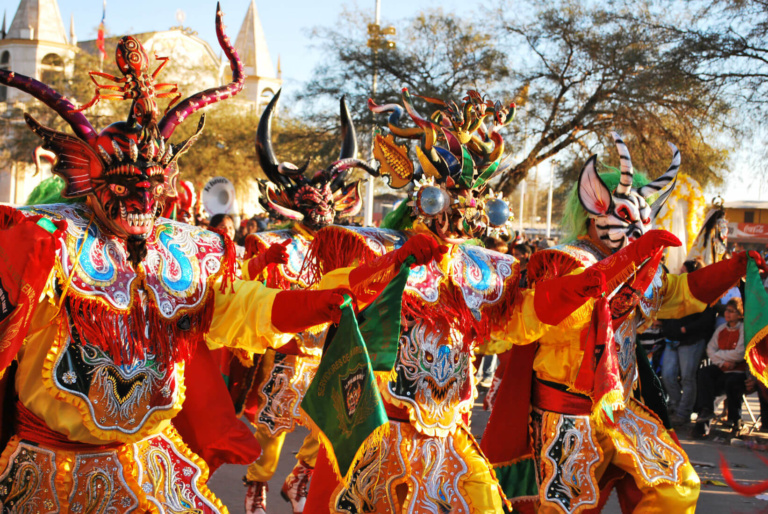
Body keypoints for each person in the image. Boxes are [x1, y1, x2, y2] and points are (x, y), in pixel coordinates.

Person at [0, 17, 446, 512]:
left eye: (155, 182)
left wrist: (325, 302)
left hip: (148, 468)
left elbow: (248, 308)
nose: (143, 197)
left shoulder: (183, 251)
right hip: (49, 475)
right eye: (128, 184)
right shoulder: (46, 243)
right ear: (86, 174)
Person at [302, 90, 654, 513]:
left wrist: (586, 285)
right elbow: (336, 293)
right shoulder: (373, 248)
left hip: (449, 435)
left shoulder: (484, 270)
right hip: (381, 430)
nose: (459, 214)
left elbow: (521, 320)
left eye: (472, 200)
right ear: (423, 198)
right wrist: (397, 261)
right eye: (446, 199)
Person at [480, 132, 768, 513]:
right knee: (568, 507)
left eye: (645, 219)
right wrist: (623, 267)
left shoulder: (644, 266)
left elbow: (678, 295)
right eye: (626, 217)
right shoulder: (562, 261)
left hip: (621, 409)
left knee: (675, 485)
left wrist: (733, 269)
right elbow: (541, 316)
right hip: (566, 412)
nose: (638, 228)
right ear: (594, 207)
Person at [240, 91, 379, 514]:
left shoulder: (349, 247)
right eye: (307, 202)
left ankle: (301, 478)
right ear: (284, 204)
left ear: (342, 202)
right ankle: (257, 485)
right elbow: (246, 295)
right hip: (286, 356)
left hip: (332, 355)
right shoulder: (267, 243)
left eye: (326, 200)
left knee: (330, 430)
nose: (319, 208)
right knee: (271, 432)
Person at [660, 259, 716, 427]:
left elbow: (707, 319)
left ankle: (683, 413)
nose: (679, 273)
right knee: (668, 375)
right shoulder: (677, 288)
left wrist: (686, 329)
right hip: (672, 339)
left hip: (692, 341)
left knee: (687, 378)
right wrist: (667, 326)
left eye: (683, 271)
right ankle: (676, 406)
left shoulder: (703, 292)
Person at [694, 298, 748, 438]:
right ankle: (705, 416)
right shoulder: (721, 329)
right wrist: (722, 362)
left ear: (740, 313)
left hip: (738, 372)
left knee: (732, 383)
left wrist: (722, 356)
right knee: (705, 374)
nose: (728, 314)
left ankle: (735, 420)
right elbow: (711, 350)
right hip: (722, 369)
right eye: (726, 311)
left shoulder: (743, 329)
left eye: (732, 311)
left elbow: (740, 353)